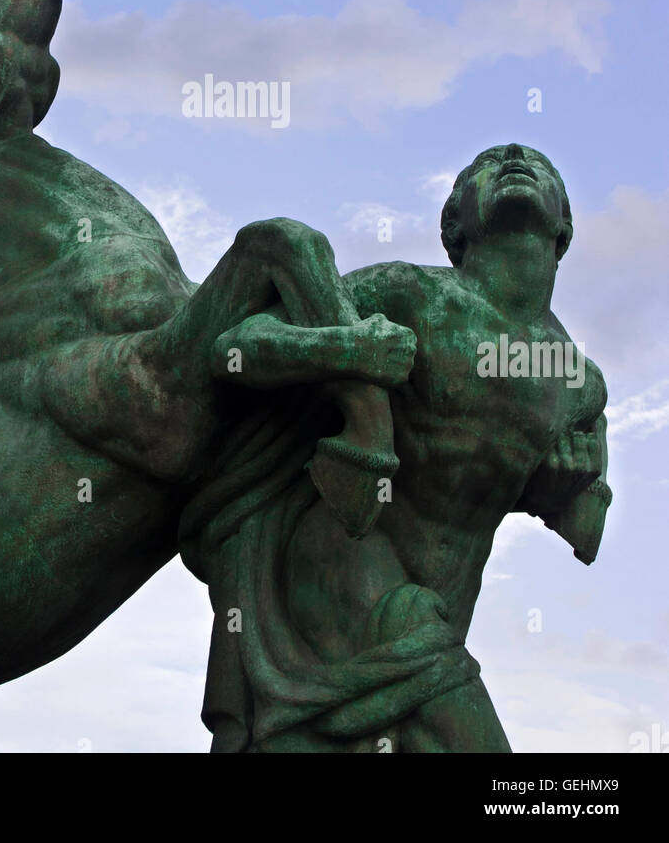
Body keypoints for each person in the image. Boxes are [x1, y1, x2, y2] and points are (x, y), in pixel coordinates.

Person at [179, 143, 611, 753]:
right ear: (454, 224)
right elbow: (241, 342)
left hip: (444, 607)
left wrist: (567, 488)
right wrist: (344, 350)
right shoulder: (408, 294)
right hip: (344, 558)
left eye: (542, 164)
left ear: (563, 223)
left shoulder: (581, 383)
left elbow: (586, 530)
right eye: (483, 167)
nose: (515, 157)